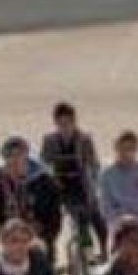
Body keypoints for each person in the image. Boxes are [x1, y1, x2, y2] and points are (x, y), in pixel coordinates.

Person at [39, 102, 107, 258]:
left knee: (94, 215)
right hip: (59, 185)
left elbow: (94, 164)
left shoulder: (84, 139)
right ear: (56, 123)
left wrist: (93, 185)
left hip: (81, 183)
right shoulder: (49, 140)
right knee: (53, 219)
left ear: (74, 121)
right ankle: (52, 253)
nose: (65, 127)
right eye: (61, 123)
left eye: (68, 122)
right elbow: (44, 164)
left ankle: (101, 249)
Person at [98, 130, 138, 243]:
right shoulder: (107, 175)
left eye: (130, 149)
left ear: (136, 150)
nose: (126, 153)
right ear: (116, 149)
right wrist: (118, 221)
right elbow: (105, 205)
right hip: (120, 226)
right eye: (122, 149)